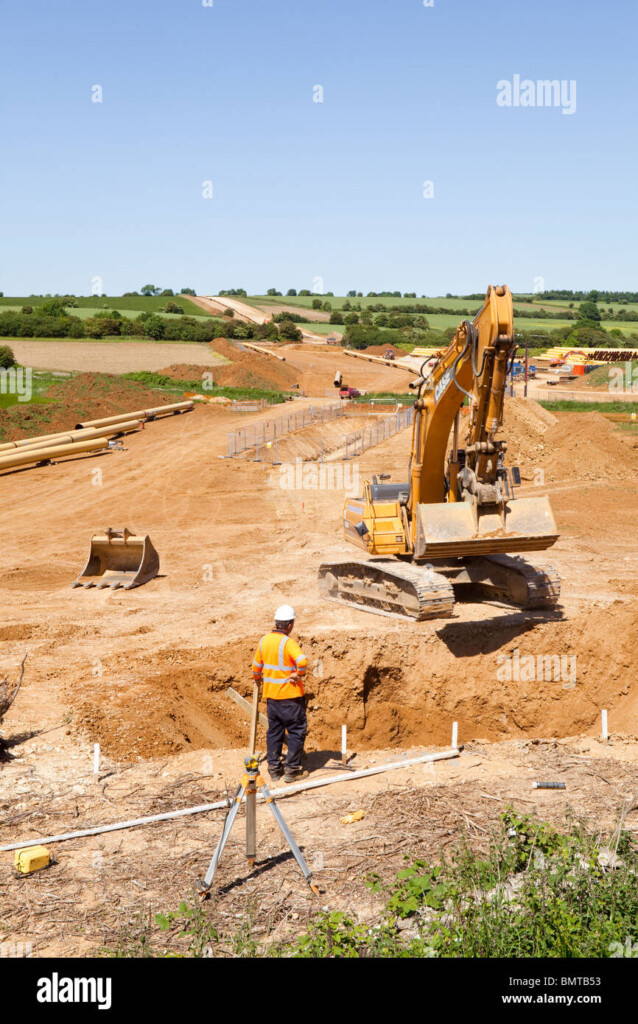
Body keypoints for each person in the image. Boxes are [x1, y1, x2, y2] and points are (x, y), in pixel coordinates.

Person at [251, 605, 309, 784]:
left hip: (272, 699)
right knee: (296, 731)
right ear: (290, 625)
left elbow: (256, 668)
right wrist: (298, 674)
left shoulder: (264, 641)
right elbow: (303, 661)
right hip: (290, 698)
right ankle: (292, 770)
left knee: (274, 732)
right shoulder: (288, 642)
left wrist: (257, 678)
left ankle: (274, 770)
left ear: (276, 622)